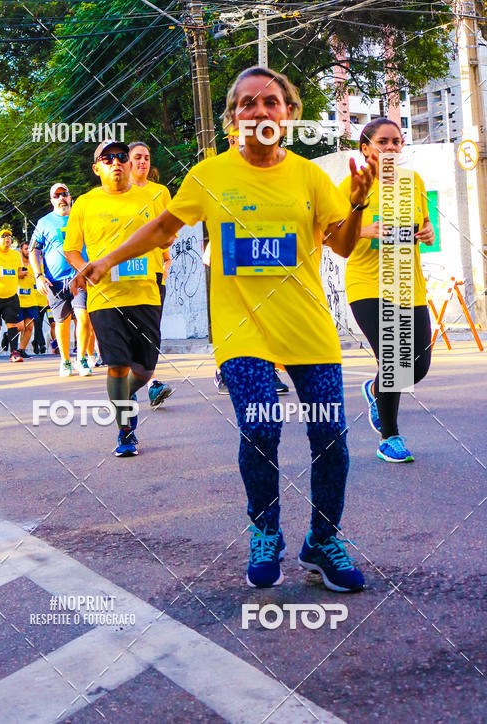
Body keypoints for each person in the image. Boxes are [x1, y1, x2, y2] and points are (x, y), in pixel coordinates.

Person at [82, 68, 377, 590]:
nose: (259, 111)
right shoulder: (209, 176)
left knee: (330, 435)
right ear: (231, 120)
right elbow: (161, 228)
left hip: (309, 329)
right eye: (246, 104)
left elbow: (345, 245)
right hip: (243, 331)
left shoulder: (310, 177)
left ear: (288, 114)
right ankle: (265, 530)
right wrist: (107, 260)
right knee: (261, 427)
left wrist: (356, 201)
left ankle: (323, 540)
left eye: (271, 102)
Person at [338, 118, 434, 463]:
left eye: (397, 141)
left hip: (409, 284)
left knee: (418, 365)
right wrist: (365, 231)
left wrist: (427, 232)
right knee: (395, 358)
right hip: (367, 283)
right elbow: (327, 234)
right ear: (366, 148)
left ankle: (377, 389)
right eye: (383, 141)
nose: (391, 147)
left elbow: (424, 225)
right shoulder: (351, 185)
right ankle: (389, 437)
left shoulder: (414, 182)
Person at [64, 140, 162, 457]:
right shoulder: (84, 204)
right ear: (97, 168)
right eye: (107, 159)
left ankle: (123, 395)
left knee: (145, 369)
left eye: (121, 157)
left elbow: (166, 234)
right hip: (105, 298)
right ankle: (125, 430)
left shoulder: (150, 197)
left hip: (145, 292)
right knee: (118, 364)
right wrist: (86, 268)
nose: (116, 162)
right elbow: (71, 249)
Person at [209, 126, 289, 397]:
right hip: (230, 245)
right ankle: (224, 369)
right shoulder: (219, 170)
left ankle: (269, 370)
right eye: (236, 137)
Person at [29, 183, 94, 377]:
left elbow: (94, 242)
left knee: (84, 318)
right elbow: (34, 249)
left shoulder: (81, 218)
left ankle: (81, 359)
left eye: (64, 194)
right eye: (56, 196)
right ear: (51, 201)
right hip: (54, 282)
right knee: (62, 323)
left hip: (79, 277)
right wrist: (38, 276)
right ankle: (65, 361)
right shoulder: (44, 223)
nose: (61, 199)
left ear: (70, 196)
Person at [129, 141, 173, 408]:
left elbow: (168, 231)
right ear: (128, 162)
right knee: (130, 332)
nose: (143, 162)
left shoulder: (161, 192)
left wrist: (166, 261)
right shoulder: (117, 194)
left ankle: (149, 383)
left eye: (146, 157)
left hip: (153, 274)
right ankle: (135, 384)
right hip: (121, 275)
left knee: (149, 333)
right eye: (137, 157)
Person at [0, 226, 25, 362]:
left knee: (12, 324)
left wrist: (26, 274)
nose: (7, 239)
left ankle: (14, 352)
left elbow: (18, 272)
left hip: (11, 296)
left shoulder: (15, 255)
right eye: (4, 236)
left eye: (9, 237)